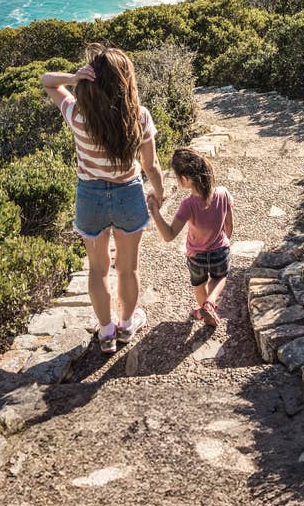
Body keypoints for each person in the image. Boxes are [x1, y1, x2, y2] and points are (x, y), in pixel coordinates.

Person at [42, 44, 165, 353]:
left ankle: (106, 332)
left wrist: (73, 77)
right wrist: (159, 192)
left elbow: (47, 81)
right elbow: (150, 165)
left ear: (92, 81)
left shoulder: (77, 114)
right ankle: (126, 326)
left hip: (91, 198)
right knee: (127, 268)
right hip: (128, 194)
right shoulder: (139, 116)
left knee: (97, 270)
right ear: (126, 80)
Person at [148, 148, 233, 327]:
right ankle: (209, 305)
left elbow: (169, 235)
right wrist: (226, 242)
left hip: (196, 256)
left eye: (178, 177)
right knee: (220, 277)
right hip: (220, 251)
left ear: (186, 178)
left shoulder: (188, 205)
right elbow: (229, 225)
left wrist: (155, 212)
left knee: (199, 285)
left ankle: (204, 309)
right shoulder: (223, 193)